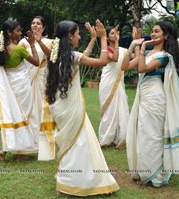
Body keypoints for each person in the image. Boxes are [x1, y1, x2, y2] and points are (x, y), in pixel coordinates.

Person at [45, 19, 119, 196]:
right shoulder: (73, 56)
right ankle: (77, 183)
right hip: (71, 109)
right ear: (70, 36)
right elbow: (102, 61)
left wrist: (93, 39)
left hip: (59, 107)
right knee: (79, 143)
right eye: (78, 34)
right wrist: (102, 37)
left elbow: (82, 55)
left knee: (71, 144)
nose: (79, 36)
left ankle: (67, 181)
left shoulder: (56, 56)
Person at [122, 21, 179, 187]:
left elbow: (142, 69)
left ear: (166, 35)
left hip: (155, 98)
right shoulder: (149, 52)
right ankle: (146, 172)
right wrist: (133, 45)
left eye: (157, 32)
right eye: (152, 32)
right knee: (143, 134)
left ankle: (156, 176)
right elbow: (124, 66)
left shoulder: (163, 56)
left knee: (153, 136)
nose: (153, 34)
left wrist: (141, 49)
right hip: (143, 96)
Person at [0, 19, 40, 160]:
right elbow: (36, 62)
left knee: (11, 116)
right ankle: (20, 152)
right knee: (23, 115)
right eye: (17, 30)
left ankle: (5, 149)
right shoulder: (19, 49)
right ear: (9, 32)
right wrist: (32, 45)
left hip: (8, 88)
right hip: (21, 87)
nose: (20, 33)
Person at [18, 16, 56, 161]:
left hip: (42, 81)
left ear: (43, 27)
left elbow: (51, 56)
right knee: (27, 110)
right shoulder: (23, 42)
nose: (35, 25)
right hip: (26, 82)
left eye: (38, 23)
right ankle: (26, 147)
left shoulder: (49, 42)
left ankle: (43, 147)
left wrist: (38, 41)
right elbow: (17, 59)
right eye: (33, 23)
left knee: (41, 111)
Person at [98, 26, 129, 148]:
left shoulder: (124, 50)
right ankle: (105, 138)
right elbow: (115, 59)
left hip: (119, 83)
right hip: (108, 82)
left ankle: (119, 137)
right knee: (109, 111)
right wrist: (116, 42)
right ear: (107, 36)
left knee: (120, 109)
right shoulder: (106, 49)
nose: (115, 34)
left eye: (116, 32)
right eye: (112, 33)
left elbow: (133, 60)